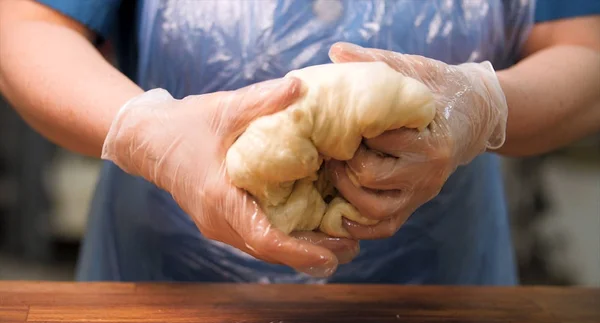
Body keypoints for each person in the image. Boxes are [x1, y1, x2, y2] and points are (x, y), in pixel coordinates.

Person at [0, 0, 598, 284]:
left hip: (437, 298)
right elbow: (28, 27)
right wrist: (144, 130)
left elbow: (586, 52)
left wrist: (482, 103)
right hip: (166, 292)